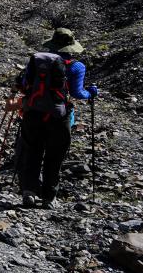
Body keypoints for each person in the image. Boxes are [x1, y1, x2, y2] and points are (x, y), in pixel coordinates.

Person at [17, 28, 99, 209]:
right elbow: (77, 93)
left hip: (33, 113)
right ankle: (48, 197)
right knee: (54, 157)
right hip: (59, 116)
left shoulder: (37, 61)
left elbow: (24, 84)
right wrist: (92, 93)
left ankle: (29, 193)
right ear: (70, 46)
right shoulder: (76, 66)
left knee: (32, 152)